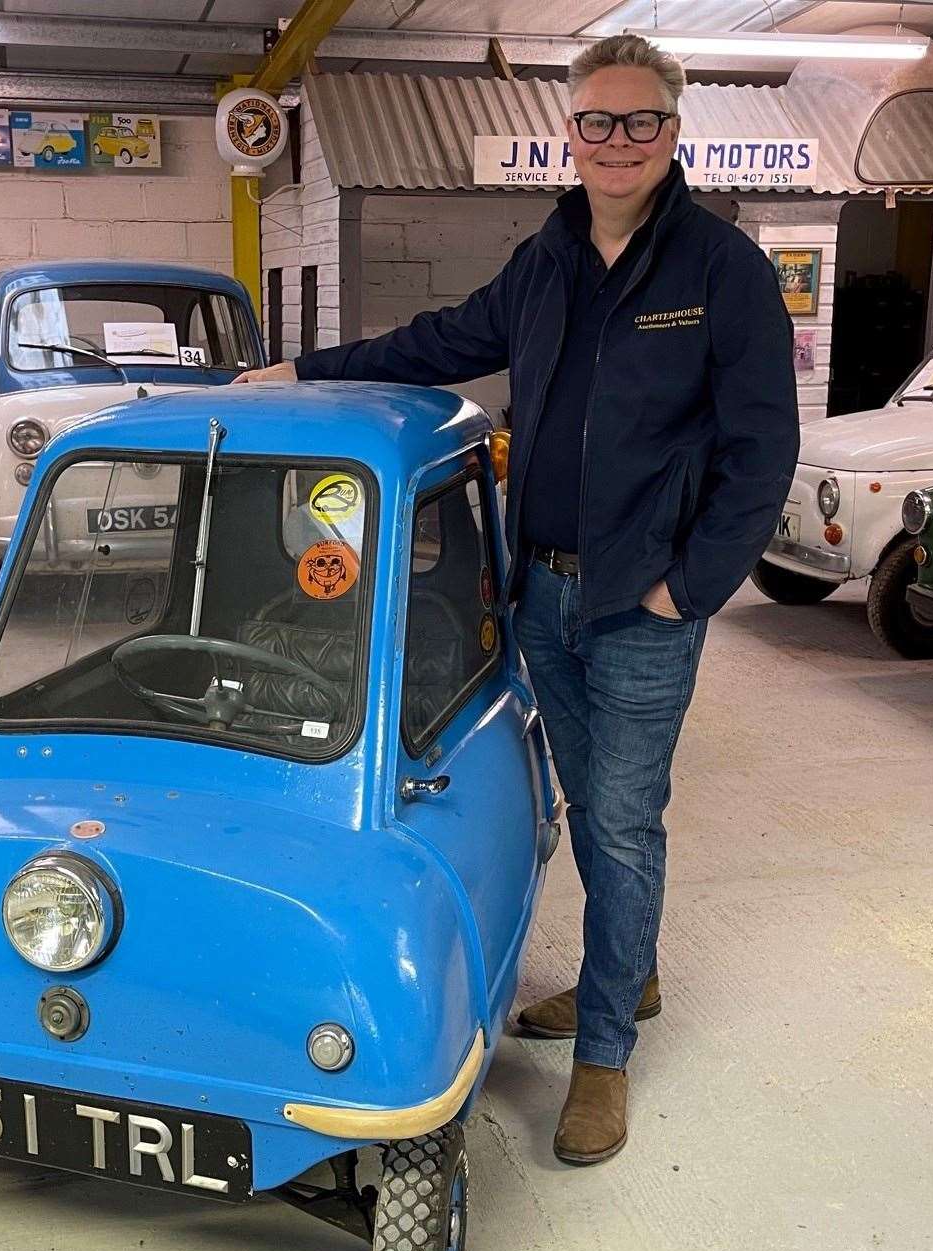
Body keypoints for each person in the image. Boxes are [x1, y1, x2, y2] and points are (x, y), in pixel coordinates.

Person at [235, 34, 798, 1164]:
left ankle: (600, 1053)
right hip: (537, 591)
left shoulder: (719, 271)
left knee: (622, 819)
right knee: (582, 804)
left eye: (640, 122)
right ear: (571, 133)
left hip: (642, 608)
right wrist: (306, 372)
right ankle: (622, 975)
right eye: (597, 121)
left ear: (671, 134)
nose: (616, 142)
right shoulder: (542, 262)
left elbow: (761, 451)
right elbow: (439, 340)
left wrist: (685, 586)